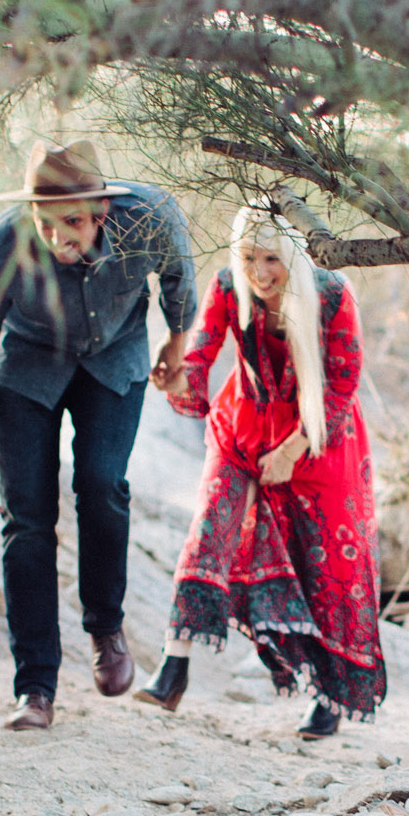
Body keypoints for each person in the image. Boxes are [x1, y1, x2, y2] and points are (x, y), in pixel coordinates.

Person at [0, 138, 197, 731]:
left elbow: (179, 278)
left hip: (114, 358)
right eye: (49, 223)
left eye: (77, 224)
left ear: (103, 211)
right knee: (27, 519)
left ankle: (105, 627)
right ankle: (35, 689)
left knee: (102, 482)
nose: (62, 237)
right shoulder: (5, 244)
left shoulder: (149, 217)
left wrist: (175, 346)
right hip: (29, 372)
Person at [134, 203, 385, 737]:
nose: (261, 272)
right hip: (244, 425)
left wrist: (293, 450)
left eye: (272, 258)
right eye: (249, 257)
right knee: (210, 528)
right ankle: (172, 665)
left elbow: (342, 386)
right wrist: (176, 378)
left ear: (293, 255)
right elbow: (199, 357)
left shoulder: (333, 294)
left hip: (319, 437)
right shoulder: (228, 286)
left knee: (324, 563)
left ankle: (329, 695)